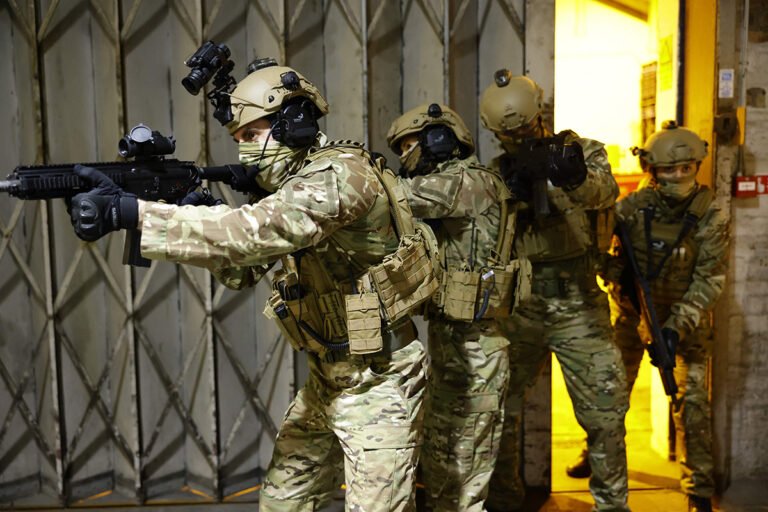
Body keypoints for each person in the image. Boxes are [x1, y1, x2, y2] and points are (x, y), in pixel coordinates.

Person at [68, 60, 440, 511]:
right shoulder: (288, 190)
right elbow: (241, 270)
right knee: (283, 501)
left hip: (380, 380)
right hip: (327, 377)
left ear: (294, 124)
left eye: (252, 135)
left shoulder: (342, 174)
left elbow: (256, 231)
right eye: (237, 140)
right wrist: (195, 206)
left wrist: (136, 214)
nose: (244, 151)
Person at [479, 70, 631, 512]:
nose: (520, 139)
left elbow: (605, 192)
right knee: (499, 410)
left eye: (526, 129)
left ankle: (612, 505)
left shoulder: (583, 152)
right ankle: (504, 500)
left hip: (578, 300)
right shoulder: (496, 172)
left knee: (604, 412)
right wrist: (502, 196)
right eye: (510, 135)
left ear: (540, 115)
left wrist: (573, 177)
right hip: (520, 304)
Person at [386, 103, 526, 511]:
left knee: (465, 473)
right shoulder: (459, 184)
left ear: (439, 139)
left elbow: (398, 198)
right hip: (455, 343)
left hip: (477, 351)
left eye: (410, 144)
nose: (406, 155)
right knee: (444, 465)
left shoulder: (466, 182)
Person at [603, 121, 727, 512]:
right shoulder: (629, 210)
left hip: (684, 326)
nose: (678, 176)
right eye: (669, 170)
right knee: (608, 402)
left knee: (691, 408)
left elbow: (711, 279)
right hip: (629, 318)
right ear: (652, 172)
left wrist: (674, 327)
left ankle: (699, 491)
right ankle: (603, 469)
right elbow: (599, 255)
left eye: (686, 168)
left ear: (697, 166)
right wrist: (614, 276)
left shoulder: (711, 213)